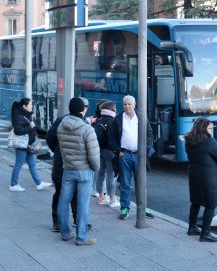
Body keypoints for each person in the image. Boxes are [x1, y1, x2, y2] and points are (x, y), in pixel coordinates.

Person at [57, 97, 100, 246]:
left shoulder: (61, 126)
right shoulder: (87, 129)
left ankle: (65, 233)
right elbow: (94, 155)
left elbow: (61, 148)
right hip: (84, 171)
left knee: (63, 201)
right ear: (83, 110)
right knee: (83, 204)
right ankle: (82, 237)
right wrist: (95, 168)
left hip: (68, 169)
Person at [108, 95, 154, 220]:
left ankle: (143, 207)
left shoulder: (141, 117)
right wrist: (118, 151)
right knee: (125, 183)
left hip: (139, 155)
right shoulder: (117, 119)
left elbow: (149, 134)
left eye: (129, 104)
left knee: (141, 184)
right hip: (125, 155)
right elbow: (111, 137)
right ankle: (124, 208)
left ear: (134, 105)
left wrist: (146, 150)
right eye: (125, 104)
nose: (127, 106)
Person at [184, 117, 217, 242]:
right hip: (209, 177)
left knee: (196, 202)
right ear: (203, 128)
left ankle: (191, 228)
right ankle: (205, 233)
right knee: (210, 204)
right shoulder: (209, 141)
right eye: (209, 128)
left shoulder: (188, 140)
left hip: (194, 175)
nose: (211, 130)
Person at [9, 98, 52, 192]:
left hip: (29, 144)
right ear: (24, 106)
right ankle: (13, 185)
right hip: (22, 145)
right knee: (19, 164)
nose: (32, 106)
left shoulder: (26, 115)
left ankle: (39, 183)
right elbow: (18, 131)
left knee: (32, 164)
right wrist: (30, 127)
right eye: (30, 105)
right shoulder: (19, 116)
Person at [92, 101, 120, 208]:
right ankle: (112, 198)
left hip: (99, 150)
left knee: (101, 172)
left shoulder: (97, 121)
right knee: (111, 174)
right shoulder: (113, 121)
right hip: (110, 151)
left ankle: (101, 197)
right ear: (112, 110)